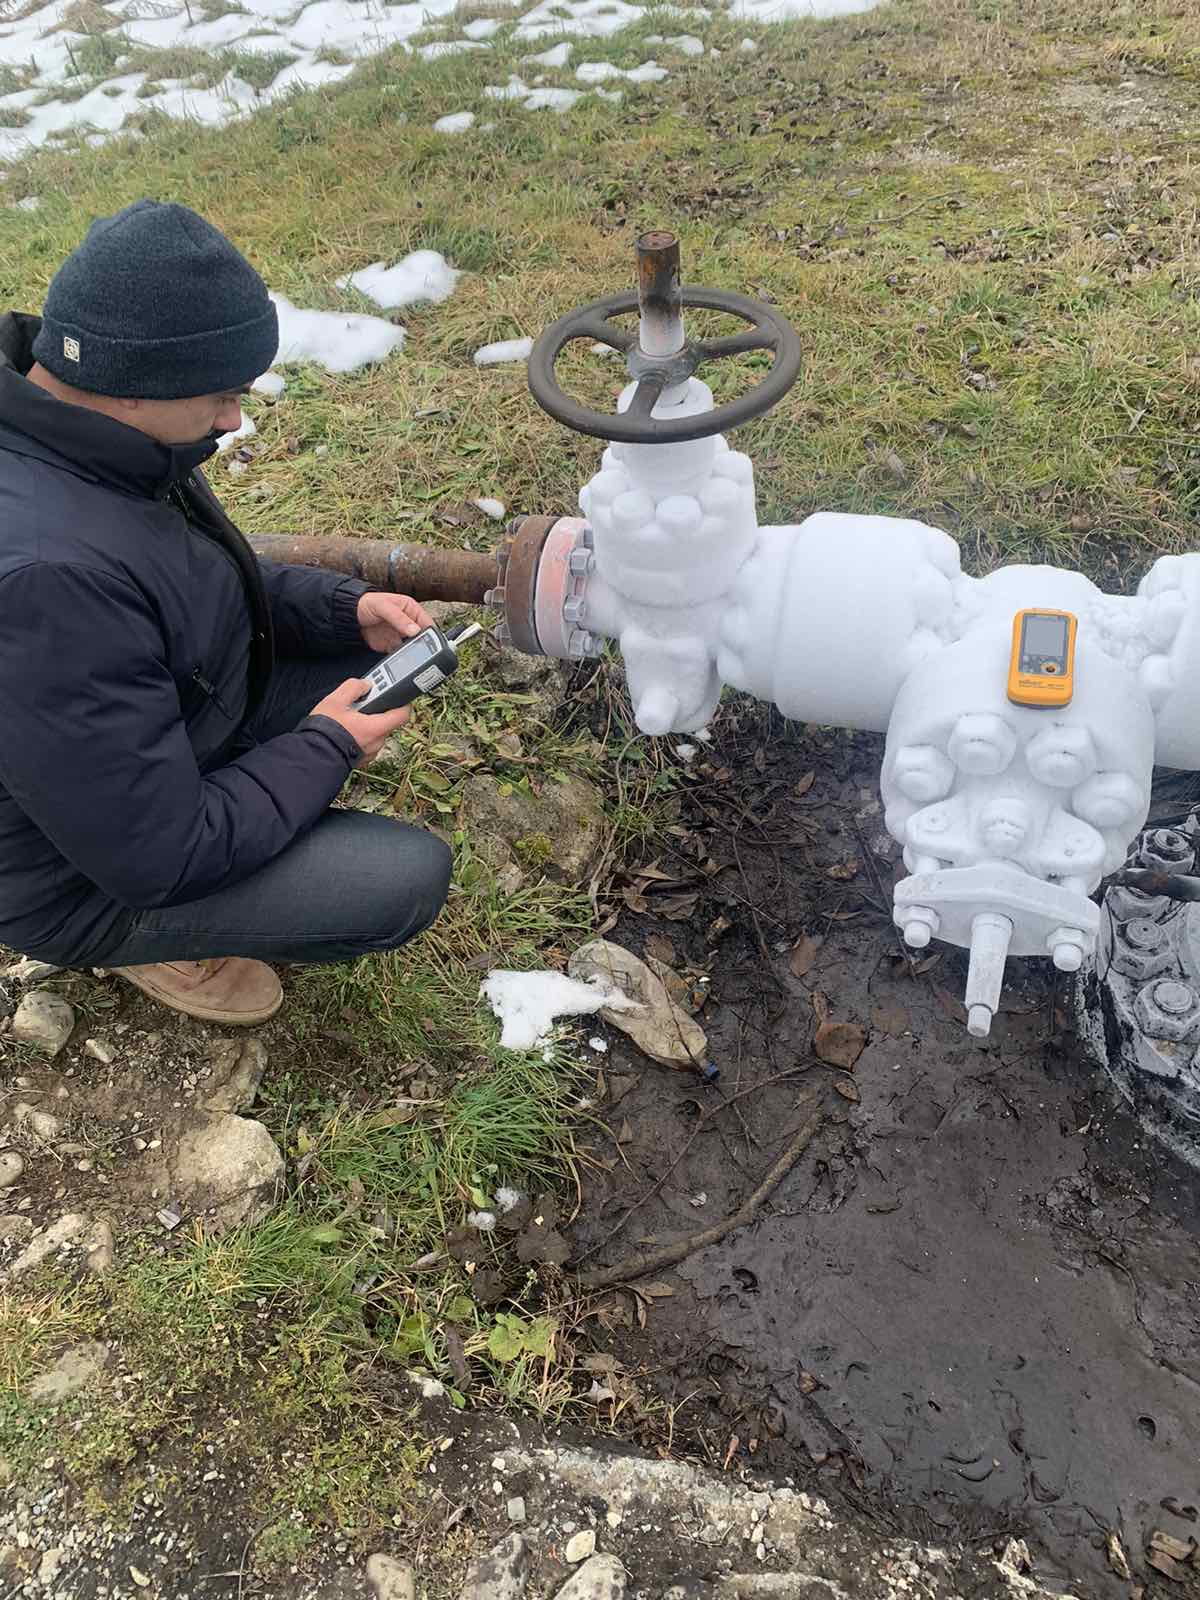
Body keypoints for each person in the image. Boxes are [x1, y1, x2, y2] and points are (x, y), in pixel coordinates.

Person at [0, 199, 452, 1026]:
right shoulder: (45, 583)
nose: (233, 419)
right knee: (399, 881)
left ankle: (227, 775)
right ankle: (144, 944)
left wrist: (345, 609)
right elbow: (158, 856)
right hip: (75, 877)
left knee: (378, 660)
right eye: (221, 395)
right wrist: (325, 746)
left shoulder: (89, 438)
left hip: (118, 741)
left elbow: (180, 577)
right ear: (131, 386)